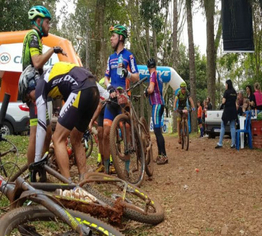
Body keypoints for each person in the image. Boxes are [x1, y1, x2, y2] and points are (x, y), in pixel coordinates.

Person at [18, 62, 99, 180]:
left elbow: (41, 127)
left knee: (57, 138)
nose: (31, 100)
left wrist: (36, 160)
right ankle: (83, 178)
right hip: (93, 89)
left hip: (80, 88)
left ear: (31, 84)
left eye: (28, 96)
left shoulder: (40, 85)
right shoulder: (51, 76)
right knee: (76, 138)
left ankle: (68, 185)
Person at [22, 5, 67, 165]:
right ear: (39, 21)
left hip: (37, 89)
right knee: (35, 132)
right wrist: (53, 50)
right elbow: (36, 62)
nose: (49, 26)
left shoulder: (37, 38)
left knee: (47, 133)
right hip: (33, 91)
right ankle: (32, 173)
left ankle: (41, 166)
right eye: (47, 22)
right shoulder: (33, 36)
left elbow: (39, 66)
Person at [102, 24, 139, 174]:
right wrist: (109, 86)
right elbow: (105, 77)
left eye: (113, 36)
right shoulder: (110, 58)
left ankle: (128, 167)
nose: (111, 38)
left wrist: (128, 74)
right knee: (105, 132)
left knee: (127, 129)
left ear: (121, 38)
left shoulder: (129, 56)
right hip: (112, 98)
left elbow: (136, 77)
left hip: (124, 97)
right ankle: (106, 167)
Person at [144, 58, 168, 165]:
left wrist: (146, 91)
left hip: (156, 104)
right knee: (158, 131)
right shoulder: (158, 75)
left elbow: (151, 89)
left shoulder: (153, 74)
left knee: (157, 131)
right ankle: (161, 154)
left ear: (148, 68)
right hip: (161, 103)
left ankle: (163, 155)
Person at [215, 80, 238, 149]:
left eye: (225, 84)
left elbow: (223, 101)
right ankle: (233, 143)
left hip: (227, 110)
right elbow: (235, 102)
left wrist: (222, 104)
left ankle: (220, 143)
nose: (225, 86)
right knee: (232, 127)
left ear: (227, 84)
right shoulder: (234, 92)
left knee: (223, 126)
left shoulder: (226, 92)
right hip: (233, 110)